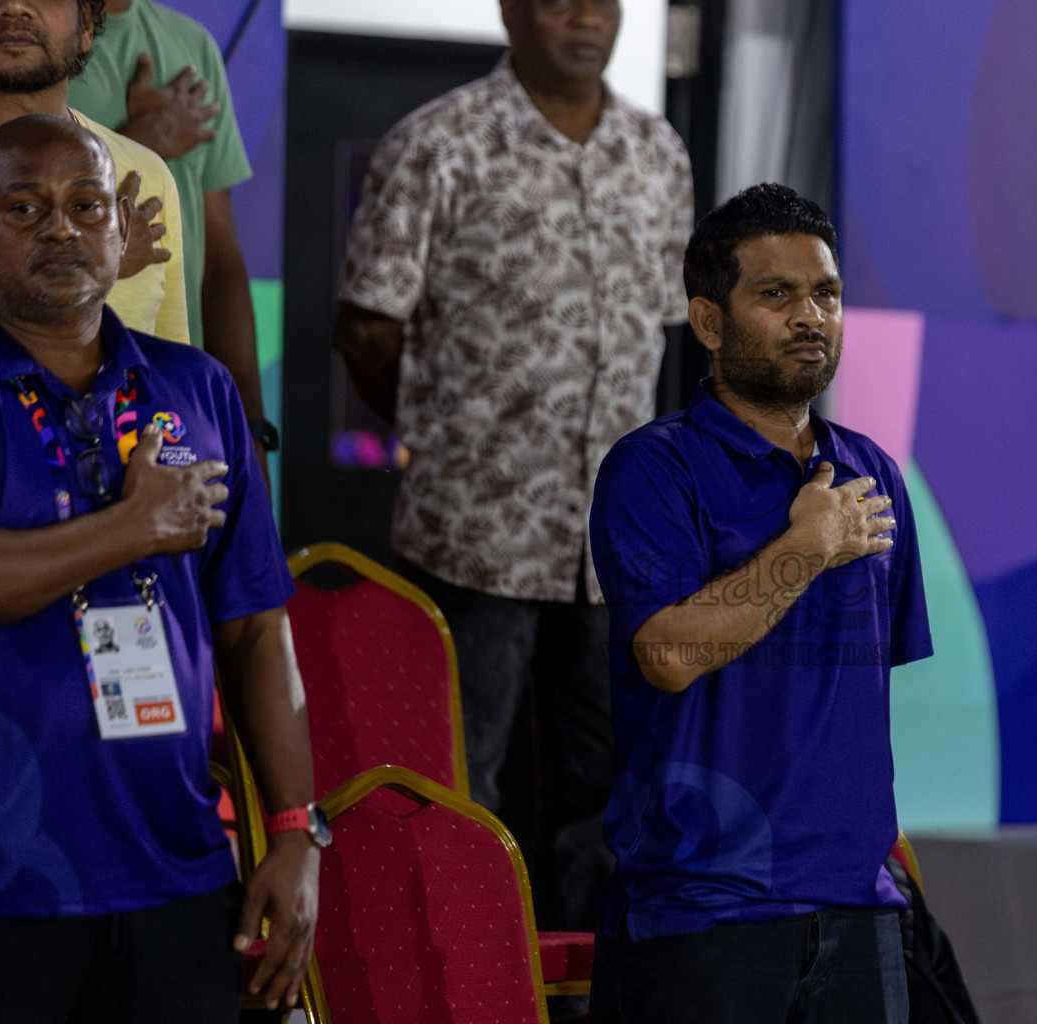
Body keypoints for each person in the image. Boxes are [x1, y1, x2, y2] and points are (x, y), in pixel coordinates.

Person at [334, 0, 692, 931]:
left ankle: (575, 995)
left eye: (602, 1)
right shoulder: (437, 142)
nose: (583, 17)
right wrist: (453, 433)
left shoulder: (659, 154)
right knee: (460, 779)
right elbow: (369, 328)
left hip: (615, 540)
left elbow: (664, 331)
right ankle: (467, 981)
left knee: (605, 790)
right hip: (476, 531)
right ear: (507, 9)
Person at [0, 114, 318, 1022]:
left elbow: (255, 625)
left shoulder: (198, 387)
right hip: (6, 883)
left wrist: (294, 829)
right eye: (24, 206)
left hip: (176, 873)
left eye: (88, 205)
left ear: (124, 233)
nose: (62, 227)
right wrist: (134, 529)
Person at [588, 182, 932, 1024]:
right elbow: (666, 656)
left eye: (826, 294)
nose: (810, 316)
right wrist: (807, 548)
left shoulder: (875, 474)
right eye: (776, 295)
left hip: (860, 907)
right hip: (704, 911)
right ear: (709, 323)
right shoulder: (653, 469)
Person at [69, 0, 277, 474]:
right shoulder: (24, 46)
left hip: (170, 404)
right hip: (55, 392)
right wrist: (139, 143)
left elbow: (221, 260)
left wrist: (250, 429)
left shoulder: (192, 46)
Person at [0, 0, 186, 344]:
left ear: (87, 27)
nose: (14, 6)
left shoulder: (147, 172)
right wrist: (97, 266)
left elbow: (168, 375)